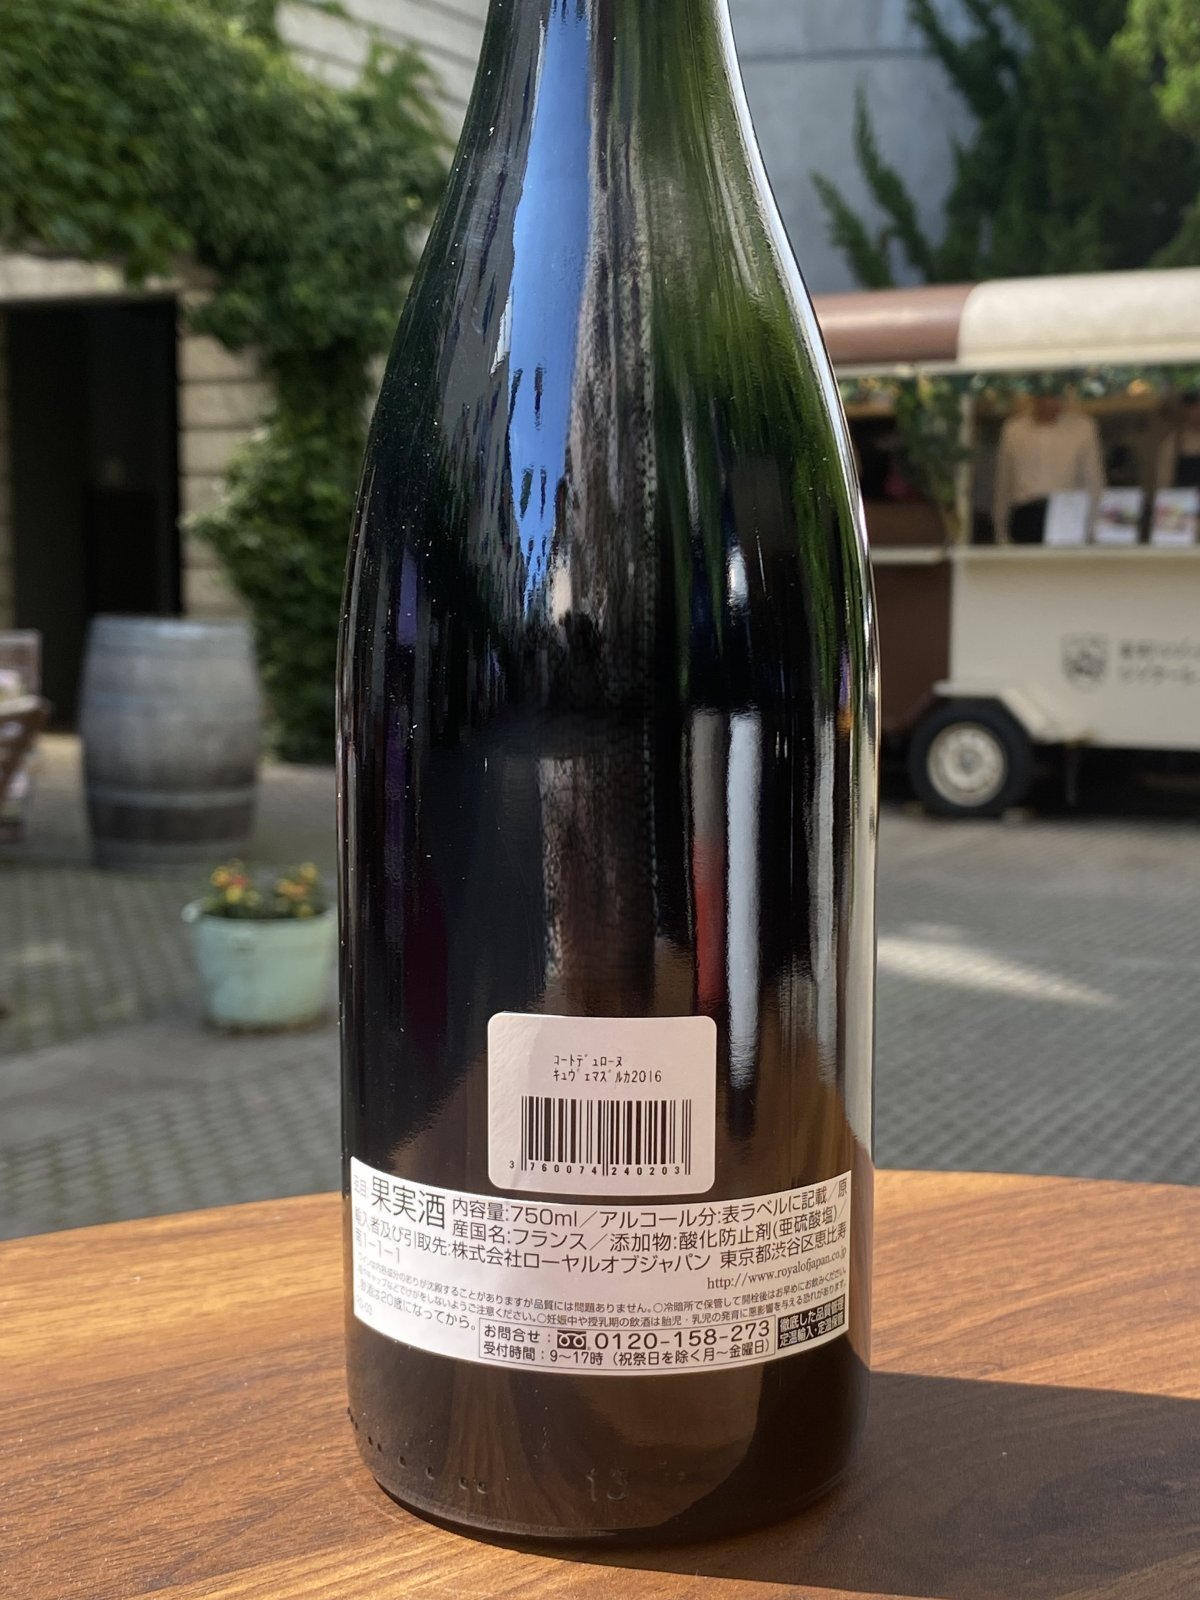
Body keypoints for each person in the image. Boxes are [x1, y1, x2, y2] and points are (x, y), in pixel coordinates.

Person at [992, 388, 1106, 544]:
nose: (1050, 403)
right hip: (1026, 514)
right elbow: (1004, 480)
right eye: (1044, 397)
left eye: (1055, 396)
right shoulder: (1014, 430)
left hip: (1066, 512)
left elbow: (1093, 480)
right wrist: (1000, 531)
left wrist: (1095, 529)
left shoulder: (1082, 428)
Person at [1156, 391, 1200, 491]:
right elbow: (1164, 476)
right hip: (1183, 497)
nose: (1197, 412)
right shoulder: (1174, 442)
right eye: (1193, 408)